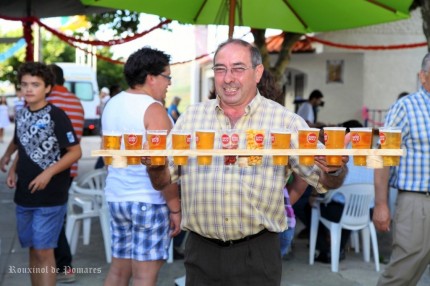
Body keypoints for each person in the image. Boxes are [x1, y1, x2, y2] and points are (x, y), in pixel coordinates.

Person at [144, 39, 348, 286]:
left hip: (258, 254)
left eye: (238, 68)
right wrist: (154, 166)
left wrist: (335, 166)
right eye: (220, 69)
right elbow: (162, 180)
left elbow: (327, 179)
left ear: (258, 72)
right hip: (201, 254)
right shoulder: (191, 118)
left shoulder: (285, 122)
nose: (228, 78)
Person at [102, 47, 181, 286]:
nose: (169, 84)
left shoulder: (112, 104)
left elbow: (108, 155)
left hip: (117, 196)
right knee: (145, 277)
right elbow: (163, 168)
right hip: (148, 199)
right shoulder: (154, 110)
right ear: (151, 77)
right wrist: (175, 208)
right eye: (167, 76)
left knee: (118, 271)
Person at [3, 62, 81, 286]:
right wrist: (13, 167)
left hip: (50, 196)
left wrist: (48, 173)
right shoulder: (22, 113)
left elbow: (75, 152)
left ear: (48, 88)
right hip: (24, 194)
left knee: (45, 251)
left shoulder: (57, 115)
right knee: (33, 250)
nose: (28, 89)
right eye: (25, 84)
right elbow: (23, 145)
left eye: (35, 85)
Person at [373, 53, 430, 286]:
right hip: (418, 204)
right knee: (402, 273)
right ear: (423, 76)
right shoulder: (405, 108)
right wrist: (381, 204)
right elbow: (382, 156)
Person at [47, 64, 85, 282]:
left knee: (51, 217)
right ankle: (59, 264)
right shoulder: (74, 100)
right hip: (70, 167)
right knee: (55, 215)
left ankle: (63, 265)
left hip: (52, 168)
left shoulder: (49, 100)